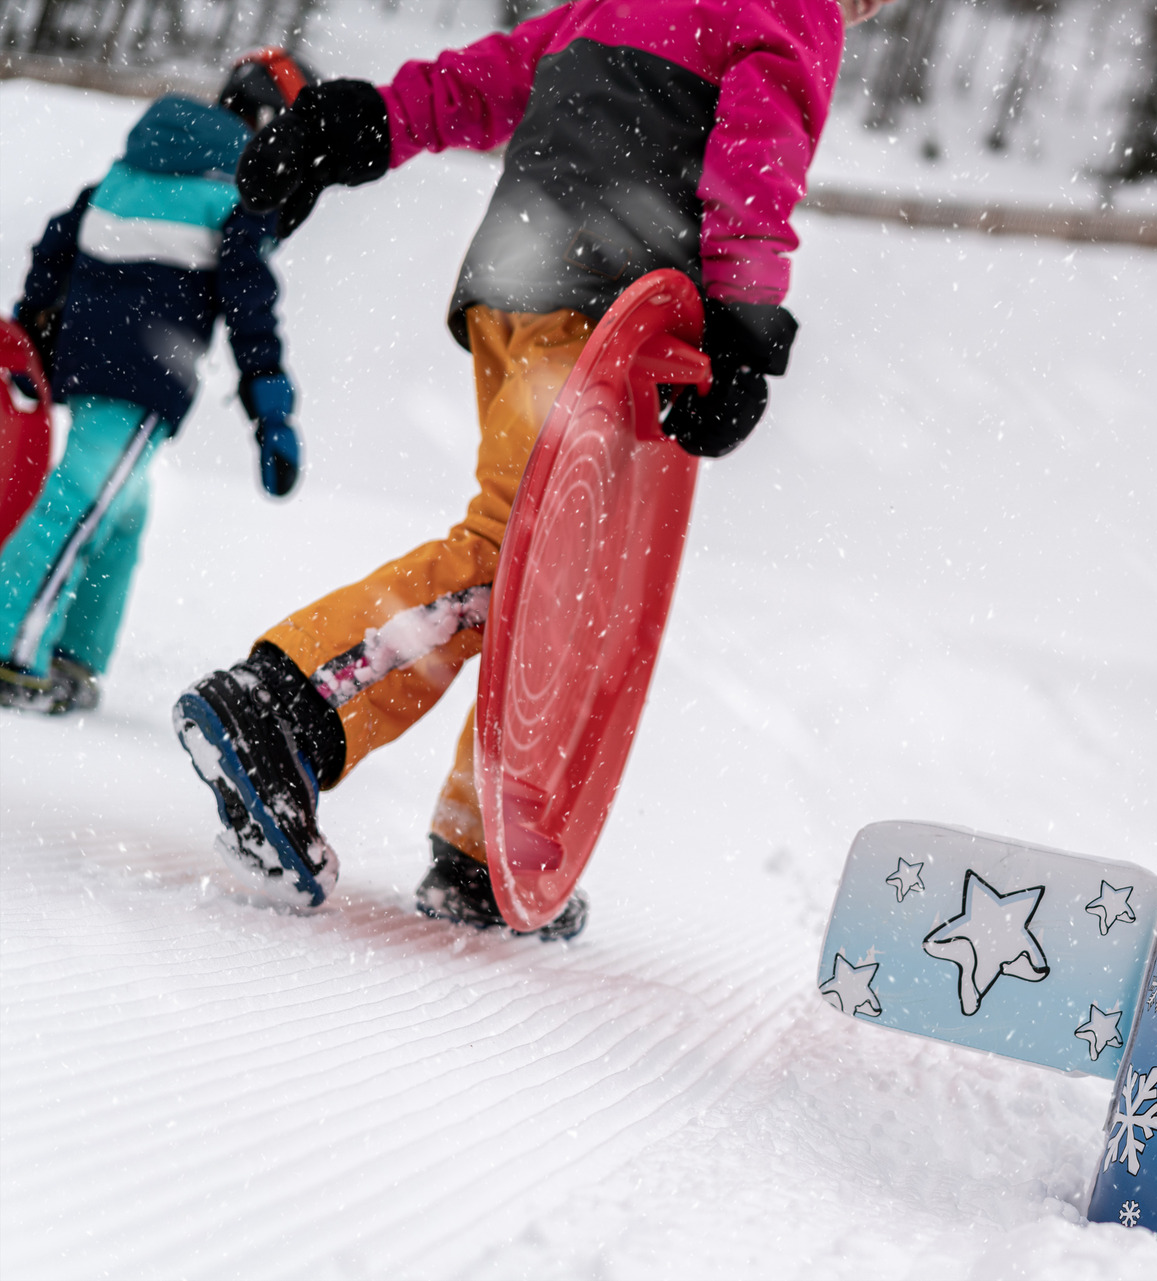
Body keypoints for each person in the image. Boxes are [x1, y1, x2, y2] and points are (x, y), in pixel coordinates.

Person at [171, 0, 898, 940]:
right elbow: (760, 154)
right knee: (522, 558)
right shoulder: (794, 8)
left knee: (568, 586)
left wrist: (370, 123)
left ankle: (484, 848)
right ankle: (289, 706)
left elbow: (489, 79)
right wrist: (746, 323)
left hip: (516, 288)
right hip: (604, 308)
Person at [0, 49, 312, 715]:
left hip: (92, 359)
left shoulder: (134, 168)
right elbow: (250, 303)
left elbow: (57, 243)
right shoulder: (236, 193)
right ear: (268, 123)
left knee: (123, 510)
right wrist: (272, 412)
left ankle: (74, 657)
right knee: (81, 500)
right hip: (141, 371)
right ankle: (11, 650)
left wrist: (32, 334)